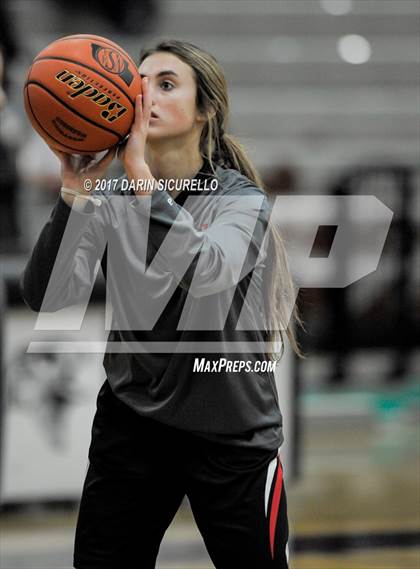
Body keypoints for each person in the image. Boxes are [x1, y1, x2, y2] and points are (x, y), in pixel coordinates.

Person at [20, 40, 305, 569]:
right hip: (132, 425)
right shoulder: (108, 200)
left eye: (166, 84)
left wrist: (144, 186)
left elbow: (206, 273)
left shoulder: (240, 200)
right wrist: (73, 195)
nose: (145, 93)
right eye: (140, 80)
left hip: (230, 431)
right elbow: (47, 296)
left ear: (206, 112)